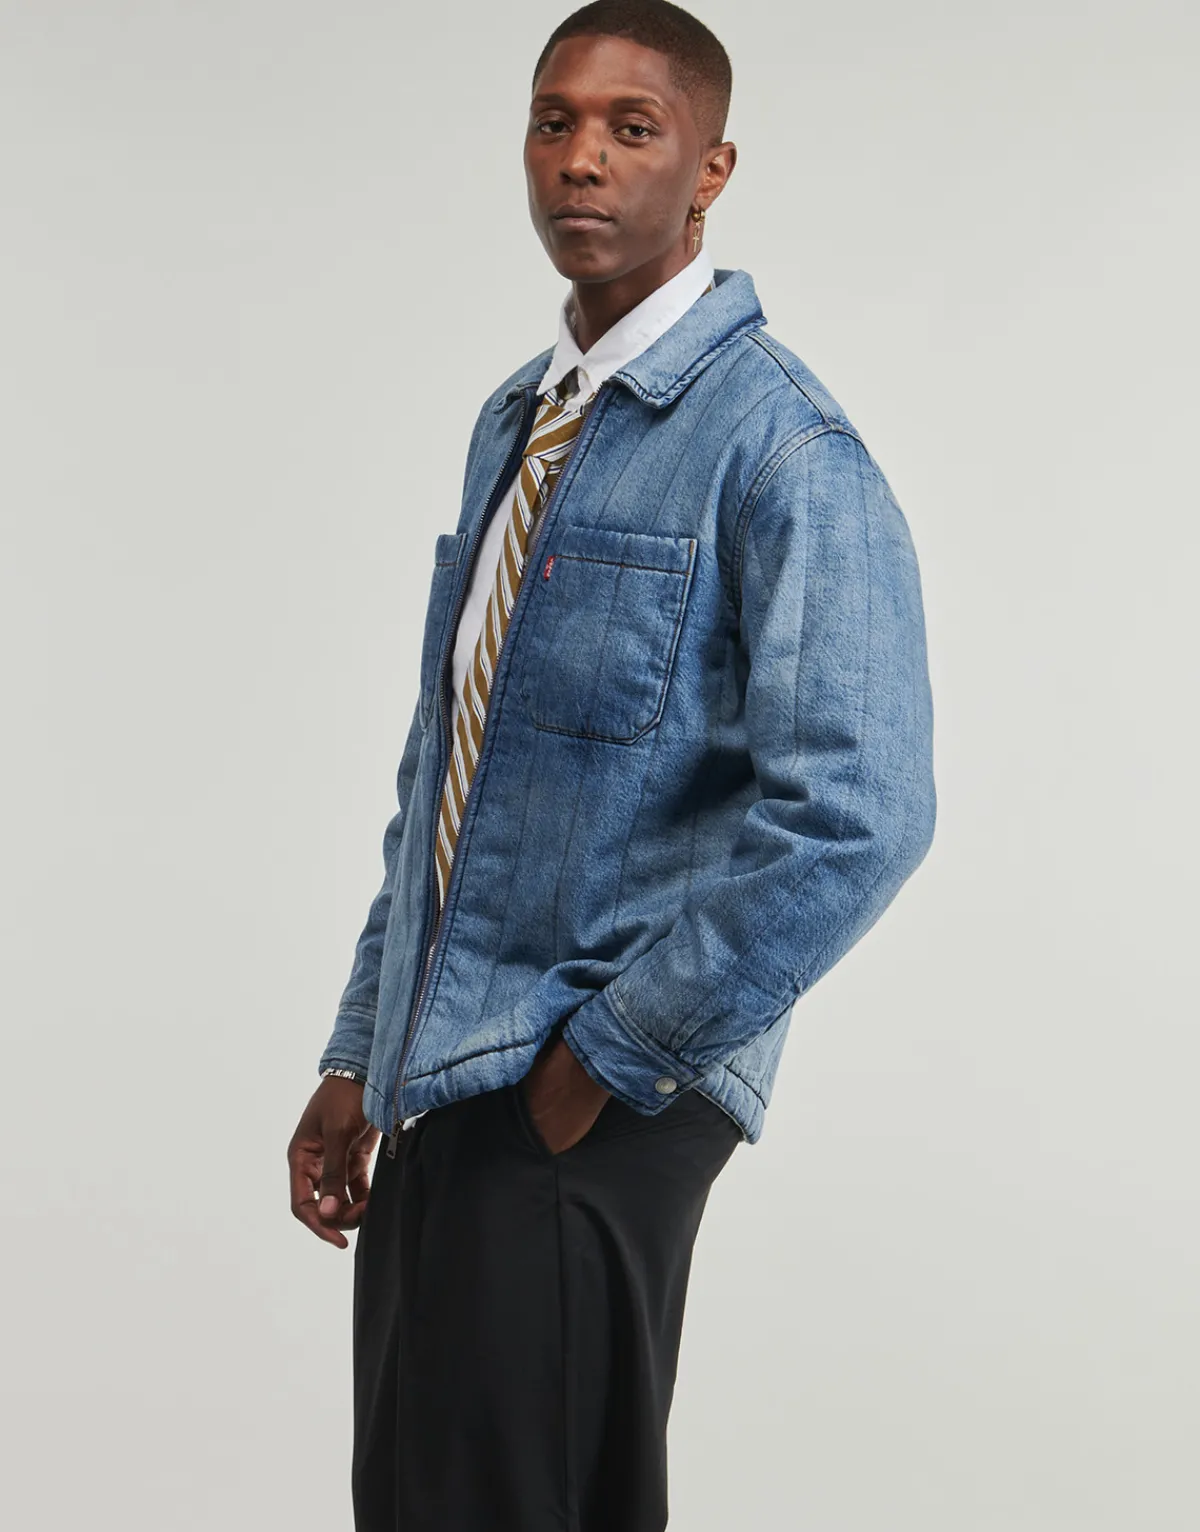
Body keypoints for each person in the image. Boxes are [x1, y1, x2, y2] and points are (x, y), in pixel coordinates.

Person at [287, 2, 937, 1528]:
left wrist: (609, 1057)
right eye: (554, 121)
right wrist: (363, 1052)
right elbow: (449, 770)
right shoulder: (519, 423)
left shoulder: (784, 449)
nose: (581, 159)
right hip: (452, 1082)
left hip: (586, 1099)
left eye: (632, 129)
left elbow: (862, 811)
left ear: (711, 170)